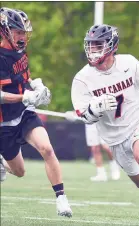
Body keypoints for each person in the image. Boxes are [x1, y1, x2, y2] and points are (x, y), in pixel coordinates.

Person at [71, 24, 139, 223]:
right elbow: (84, 116)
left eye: (98, 45)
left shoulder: (129, 63)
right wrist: (96, 108)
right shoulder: (82, 79)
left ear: (112, 45)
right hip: (114, 137)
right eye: (91, 45)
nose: (93, 50)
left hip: (138, 121)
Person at [0, 7, 72, 217]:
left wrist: (37, 87)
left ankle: (61, 199)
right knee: (20, 172)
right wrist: (24, 96)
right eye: (18, 32)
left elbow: (24, 78)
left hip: (24, 114)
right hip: (4, 123)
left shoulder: (20, 52)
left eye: (24, 32)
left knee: (47, 149)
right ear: (4, 31)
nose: (22, 37)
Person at [63, 111, 120, 181]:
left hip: (103, 120)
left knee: (106, 147)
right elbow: (81, 108)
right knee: (94, 148)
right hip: (90, 123)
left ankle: (114, 167)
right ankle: (101, 173)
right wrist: (73, 114)